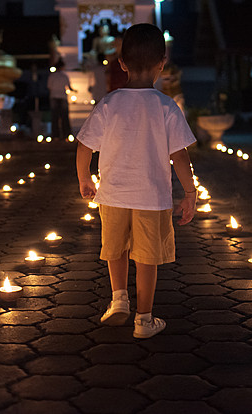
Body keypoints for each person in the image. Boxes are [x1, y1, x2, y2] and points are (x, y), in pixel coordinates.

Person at [76, 23, 197, 339]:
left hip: (112, 195)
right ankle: (144, 319)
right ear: (162, 63)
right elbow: (180, 156)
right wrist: (190, 193)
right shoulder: (165, 106)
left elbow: (84, 145)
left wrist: (85, 178)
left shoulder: (110, 103)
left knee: (114, 249)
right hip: (152, 198)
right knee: (146, 259)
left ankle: (118, 300)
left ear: (122, 63)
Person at [47, 59, 74, 139]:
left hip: (54, 97)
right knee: (64, 117)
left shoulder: (52, 76)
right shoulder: (64, 76)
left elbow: (49, 87)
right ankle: (66, 134)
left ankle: (55, 135)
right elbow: (69, 87)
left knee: (55, 117)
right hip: (62, 97)